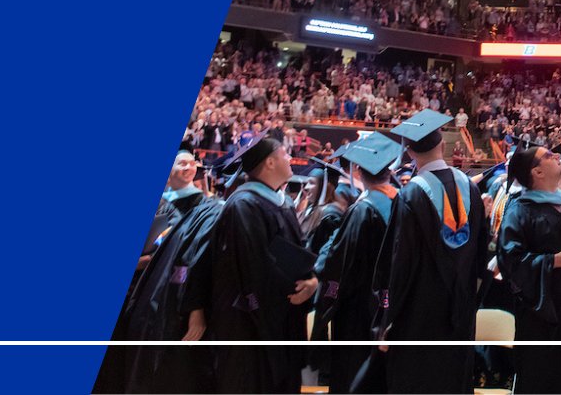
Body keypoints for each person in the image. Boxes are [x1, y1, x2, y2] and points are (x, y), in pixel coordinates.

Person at [374, 110, 491, 393]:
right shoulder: (471, 188)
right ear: (443, 145)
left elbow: (400, 261)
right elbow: (481, 255)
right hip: (460, 311)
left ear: (410, 152)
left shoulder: (411, 195)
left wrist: (387, 318)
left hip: (419, 315)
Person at [95, 151, 222, 394]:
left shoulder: (181, 209)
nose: (187, 167)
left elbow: (175, 253)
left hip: (148, 291)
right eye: (180, 163)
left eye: (190, 162)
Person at [207, 138, 319, 394]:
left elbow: (298, 252)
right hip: (252, 326)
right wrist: (294, 290)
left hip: (282, 319)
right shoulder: (243, 205)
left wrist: (312, 280)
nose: (290, 159)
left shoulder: (283, 203)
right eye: (285, 154)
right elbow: (254, 268)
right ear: (270, 162)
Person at [499, 145, 561, 394]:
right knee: (541, 379)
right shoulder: (519, 210)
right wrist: (555, 260)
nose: (556, 156)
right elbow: (510, 261)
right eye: (548, 156)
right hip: (541, 315)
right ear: (537, 172)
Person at [311, 133, 401, 393]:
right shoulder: (403, 203)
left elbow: (340, 264)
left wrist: (323, 293)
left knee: (353, 377)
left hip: (358, 312)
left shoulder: (362, 210)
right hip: (390, 308)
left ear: (359, 172)